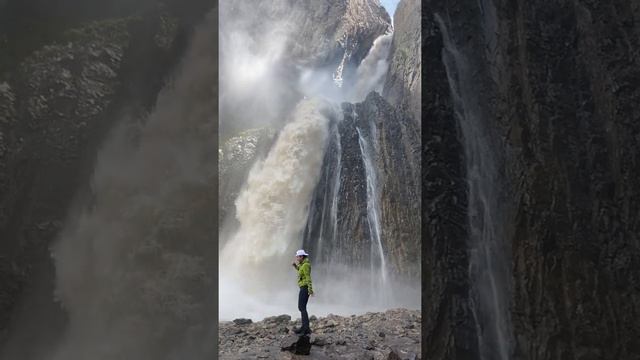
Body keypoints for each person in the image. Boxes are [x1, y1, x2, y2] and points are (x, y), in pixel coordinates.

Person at [291, 249, 313, 335]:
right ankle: (304, 327)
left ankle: (305, 328)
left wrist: (310, 290)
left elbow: (308, 277)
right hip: (303, 287)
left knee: (302, 307)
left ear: (301, 257)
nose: (296, 258)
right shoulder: (303, 265)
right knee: (301, 307)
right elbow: (301, 271)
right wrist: (295, 266)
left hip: (305, 287)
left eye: (297, 256)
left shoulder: (306, 265)